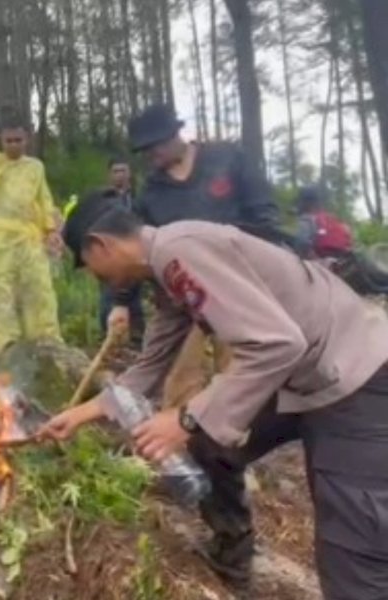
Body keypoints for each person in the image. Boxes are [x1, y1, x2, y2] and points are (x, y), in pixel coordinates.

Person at [47, 198, 388, 597]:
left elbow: (279, 344)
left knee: (353, 551)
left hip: (356, 377)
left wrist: (185, 418)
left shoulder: (183, 250)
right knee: (209, 444)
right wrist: (80, 414)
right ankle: (233, 554)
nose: (96, 279)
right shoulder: (167, 271)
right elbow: (151, 363)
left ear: (99, 245)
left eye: (89, 268)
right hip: (303, 376)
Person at [127, 104, 283, 410]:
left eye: (154, 146)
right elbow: (141, 250)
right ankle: (186, 445)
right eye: (144, 150)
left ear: (173, 135)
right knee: (181, 379)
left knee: (238, 373)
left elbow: (264, 215)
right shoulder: (151, 194)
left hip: (238, 285)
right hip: (186, 298)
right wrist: (122, 300)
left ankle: (235, 444)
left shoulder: (227, 159)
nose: (150, 155)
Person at [0, 113, 62, 356]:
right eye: (8, 140)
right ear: (0, 140)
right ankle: (4, 345)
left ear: (26, 139)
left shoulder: (35, 167)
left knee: (39, 288)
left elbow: (43, 199)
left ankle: (45, 339)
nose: (13, 145)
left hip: (28, 236)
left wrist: (49, 229)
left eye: (18, 140)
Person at [94, 157, 145, 348]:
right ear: (109, 174)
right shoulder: (102, 199)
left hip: (136, 253)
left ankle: (137, 340)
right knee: (109, 298)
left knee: (134, 299)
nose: (120, 175)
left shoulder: (139, 197)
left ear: (129, 173)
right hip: (110, 255)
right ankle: (109, 341)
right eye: (115, 171)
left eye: (123, 170)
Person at [295, 186, 353, 259]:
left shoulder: (306, 219)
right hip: (339, 256)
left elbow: (303, 241)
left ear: (305, 202)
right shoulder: (328, 218)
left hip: (319, 257)